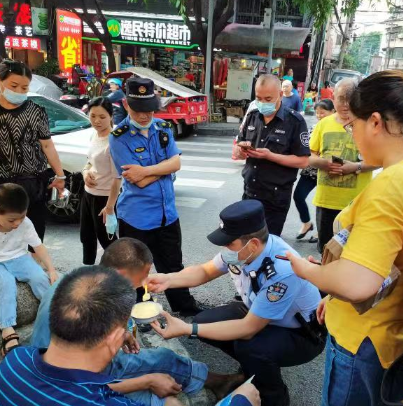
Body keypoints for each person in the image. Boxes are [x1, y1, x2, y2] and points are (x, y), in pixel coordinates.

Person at [287, 70, 403, 406]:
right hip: (402, 333)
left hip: (365, 337)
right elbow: (390, 258)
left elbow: (359, 283)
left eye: (352, 125)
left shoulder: (394, 183)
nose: (352, 135)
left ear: (374, 122)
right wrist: (334, 295)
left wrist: (305, 270)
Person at [145, 200, 325, 406]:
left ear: (253, 244)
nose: (224, 248)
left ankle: (273, 395)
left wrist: (187, 329)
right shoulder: (245, 251)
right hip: (261, 315)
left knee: (250, 347)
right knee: (207, 321)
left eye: (229, 243)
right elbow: (205, 271)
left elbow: (248, 328)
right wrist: (168, 279)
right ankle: (254, 369)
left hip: (302, 334)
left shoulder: (281, 271)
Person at [31, 237, 244, 405]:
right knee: (164, 382)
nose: (144, 284)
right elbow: (81, 385)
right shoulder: (91, 312)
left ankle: (217, 382)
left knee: (161, 357)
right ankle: (218, 383)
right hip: (78, 374)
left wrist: (122, 334)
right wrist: (146, 381)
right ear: (122, 274)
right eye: (142, 277)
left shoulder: (81, 279)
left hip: (80, 367)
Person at [109, 77, 202, 316]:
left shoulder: (162, 130)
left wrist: (148, 170)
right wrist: (163, 169)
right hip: (137, 217)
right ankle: (141, 310)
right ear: (127, 105)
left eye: (149, 109)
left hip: (167, 214)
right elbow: (135, 180)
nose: (144, 115)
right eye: (139, 109)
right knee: (136, 268)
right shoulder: (119, 137)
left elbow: (177, 163)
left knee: (173, 265)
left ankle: (184, 306)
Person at [0, 60, 66, 242]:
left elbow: (47, 145)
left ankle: (33, 264)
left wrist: (60, 176)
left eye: (25, 88)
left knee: (33, 232)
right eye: (14, 86)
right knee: (0, 231)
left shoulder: (36, 111)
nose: (19, 92)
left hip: (32, 180)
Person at [0, 183, 57, 355]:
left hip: (18, 257)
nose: (17, 223)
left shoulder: (25, 222)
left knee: (39, 277)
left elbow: (38, 246)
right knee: (4, 282)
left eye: (22, 217)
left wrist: (51, 270)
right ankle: (8, 330)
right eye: (11, 220)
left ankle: (55, 314)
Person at [232, 74, 310, 236]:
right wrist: (241, 151)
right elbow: (238, 150)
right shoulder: (252, 117)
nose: (262, 103)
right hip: (249, 192)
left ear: (280, 95)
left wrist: (270, 156)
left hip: (275, 198)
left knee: (267, 246)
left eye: (268, 98)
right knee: (247, 243)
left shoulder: (295, 122)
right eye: (258, 98)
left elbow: (303, 161)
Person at [308, 78, 376, 253]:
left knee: (351, 253)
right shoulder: (323, 124)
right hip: (326, 200)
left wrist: (355, 167)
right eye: (341, 99)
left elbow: (378, 159)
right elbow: (309, 155)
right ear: (333, 99)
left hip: (356, 202)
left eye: (350, 99)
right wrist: (324, 163)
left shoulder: (368, 125)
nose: (345, 105)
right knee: (326, 251)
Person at [80, 97, 121, 265]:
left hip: (105, 198)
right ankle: (87, 272)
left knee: (108, 241)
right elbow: (89, 162)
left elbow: (117, 178)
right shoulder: (94, 135)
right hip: (88, 194)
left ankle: (123, 276)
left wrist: (110, 207)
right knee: (86, 236)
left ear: (111, 116)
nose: (97, 121)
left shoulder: (114, 141)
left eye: (102, 117)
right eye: (93, 116)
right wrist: (85, 173)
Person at [293, 99, 335, 243]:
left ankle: (320, 232)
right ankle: (306, 223)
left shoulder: (340, 128)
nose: (319, 115)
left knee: (323, 204)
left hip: (328, 172)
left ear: (332, 112)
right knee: (298, 195)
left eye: (322, 113)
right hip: (311, 170)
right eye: (317, 113)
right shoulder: (314, 127)